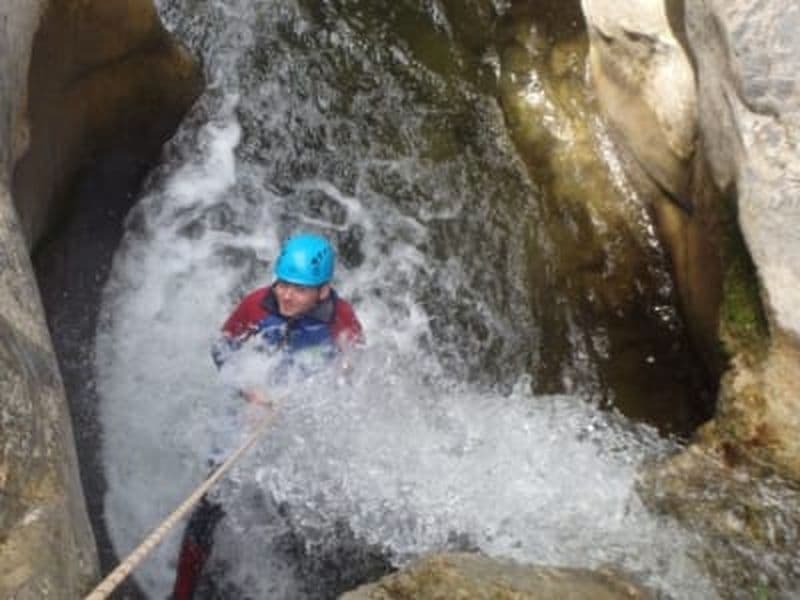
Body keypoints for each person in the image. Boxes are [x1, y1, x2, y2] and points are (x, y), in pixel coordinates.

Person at [172, 232, 363, 600]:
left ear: (323, 291)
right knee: (207, 507)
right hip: (248, 408)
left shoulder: (340, 320)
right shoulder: (257, 306)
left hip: (299, 421)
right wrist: (251, 393)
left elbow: (352, 371)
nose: (286, 295)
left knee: (291, 508)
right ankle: (181, 594)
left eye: (299, 289)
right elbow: (222, 349)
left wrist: (316, 392)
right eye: (283, 284)